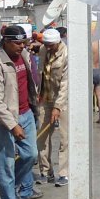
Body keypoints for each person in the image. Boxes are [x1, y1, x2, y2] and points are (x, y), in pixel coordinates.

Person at [0, 26, 41, 199]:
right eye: (17, 43)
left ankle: (8, 186)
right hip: (5, 121)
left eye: (23, 42)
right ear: (5, 41)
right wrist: (12, 124)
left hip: (26, 113)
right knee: (5, 162)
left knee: (31, 155)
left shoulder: (23, 54)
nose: (21, 46)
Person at [36, 28, 69, 187]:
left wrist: (58, 106)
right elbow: (40, 73)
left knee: (64, 138)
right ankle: (45, 171)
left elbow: (65, 83)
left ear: (58, 42)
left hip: (62, 101)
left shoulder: (66, 54)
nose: (48, 47)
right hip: (45, 98)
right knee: (42, 137)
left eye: (50, 45)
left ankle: (64, 173)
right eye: (46, 44)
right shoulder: (43, 50)